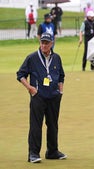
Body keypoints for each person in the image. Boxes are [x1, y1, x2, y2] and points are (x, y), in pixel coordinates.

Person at [16, 32, 66, 163]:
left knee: (53, 125)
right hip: (38, 96)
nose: (44, 45)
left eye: (46, 43)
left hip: (54, 96)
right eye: (42, 42)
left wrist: (60, 91)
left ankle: (52, 151)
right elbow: (20, 75)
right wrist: (30, 88)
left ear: (52, 43)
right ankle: (33, 153)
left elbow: (61, 75)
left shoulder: (56, 58)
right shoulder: (32, 58)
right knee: (35, 125)